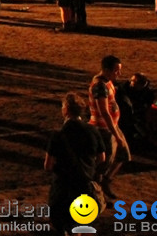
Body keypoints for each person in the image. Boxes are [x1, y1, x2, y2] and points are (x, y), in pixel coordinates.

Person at [44, 92, 106, 236]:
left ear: (66, 110)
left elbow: (48, 166)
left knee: (64, 224)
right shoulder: (93, 131)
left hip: (63, 188)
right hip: (84, 184)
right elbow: (102, 158)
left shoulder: (57, 136)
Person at [88, 54, 129, 199]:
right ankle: (97, 192)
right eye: (116, 70)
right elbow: (104, 112)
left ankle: (104, 184)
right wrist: (116, 135)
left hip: (111, 126)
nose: (119, 74)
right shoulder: (100, 86)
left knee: (123, 155)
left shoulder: (106, 81)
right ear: (105, 69)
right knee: (104, 163)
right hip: (104, 129)